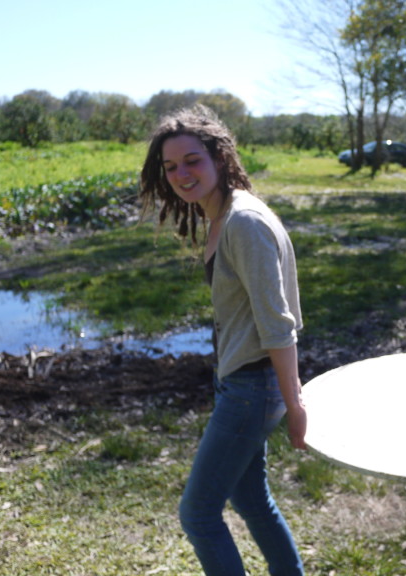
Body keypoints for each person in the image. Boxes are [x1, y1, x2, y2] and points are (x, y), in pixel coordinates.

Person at [140, 105, 308, 576]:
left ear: (219, 156)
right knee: (252, 499)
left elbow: (277, 324)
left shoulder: (244, 222)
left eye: (192, 160)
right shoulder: (224, 214)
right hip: (244, 383)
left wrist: (294, 405)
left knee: (197, 513)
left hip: (255, 388)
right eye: (171, 167)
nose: (181, 174)